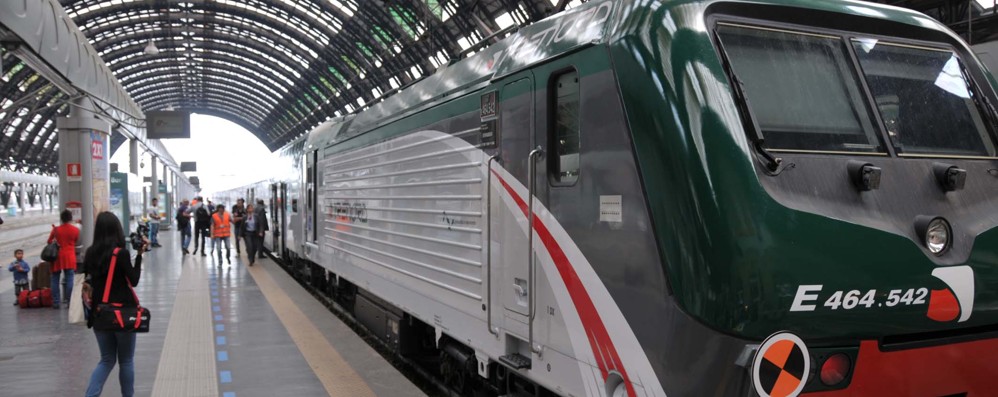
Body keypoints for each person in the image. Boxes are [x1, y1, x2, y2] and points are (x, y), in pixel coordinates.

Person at [83, 212, 147, 397]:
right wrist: (140, 256)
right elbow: (133, 280)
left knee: (106, 359)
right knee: (126, 360)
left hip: (100, 314)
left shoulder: (90, 253)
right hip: (122, 314)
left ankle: (91, 395)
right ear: (117, 230)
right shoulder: (121, 253)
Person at [47, 209, 79, 308]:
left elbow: (49, 241)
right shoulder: (75, 230)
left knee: (55, 279)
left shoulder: (56, 229)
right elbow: (76, 241)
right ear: (70, 218)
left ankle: (56, 302)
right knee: (70, 278)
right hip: (69, 256)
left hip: (57, 257)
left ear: (61, 218)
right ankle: (69, 301)